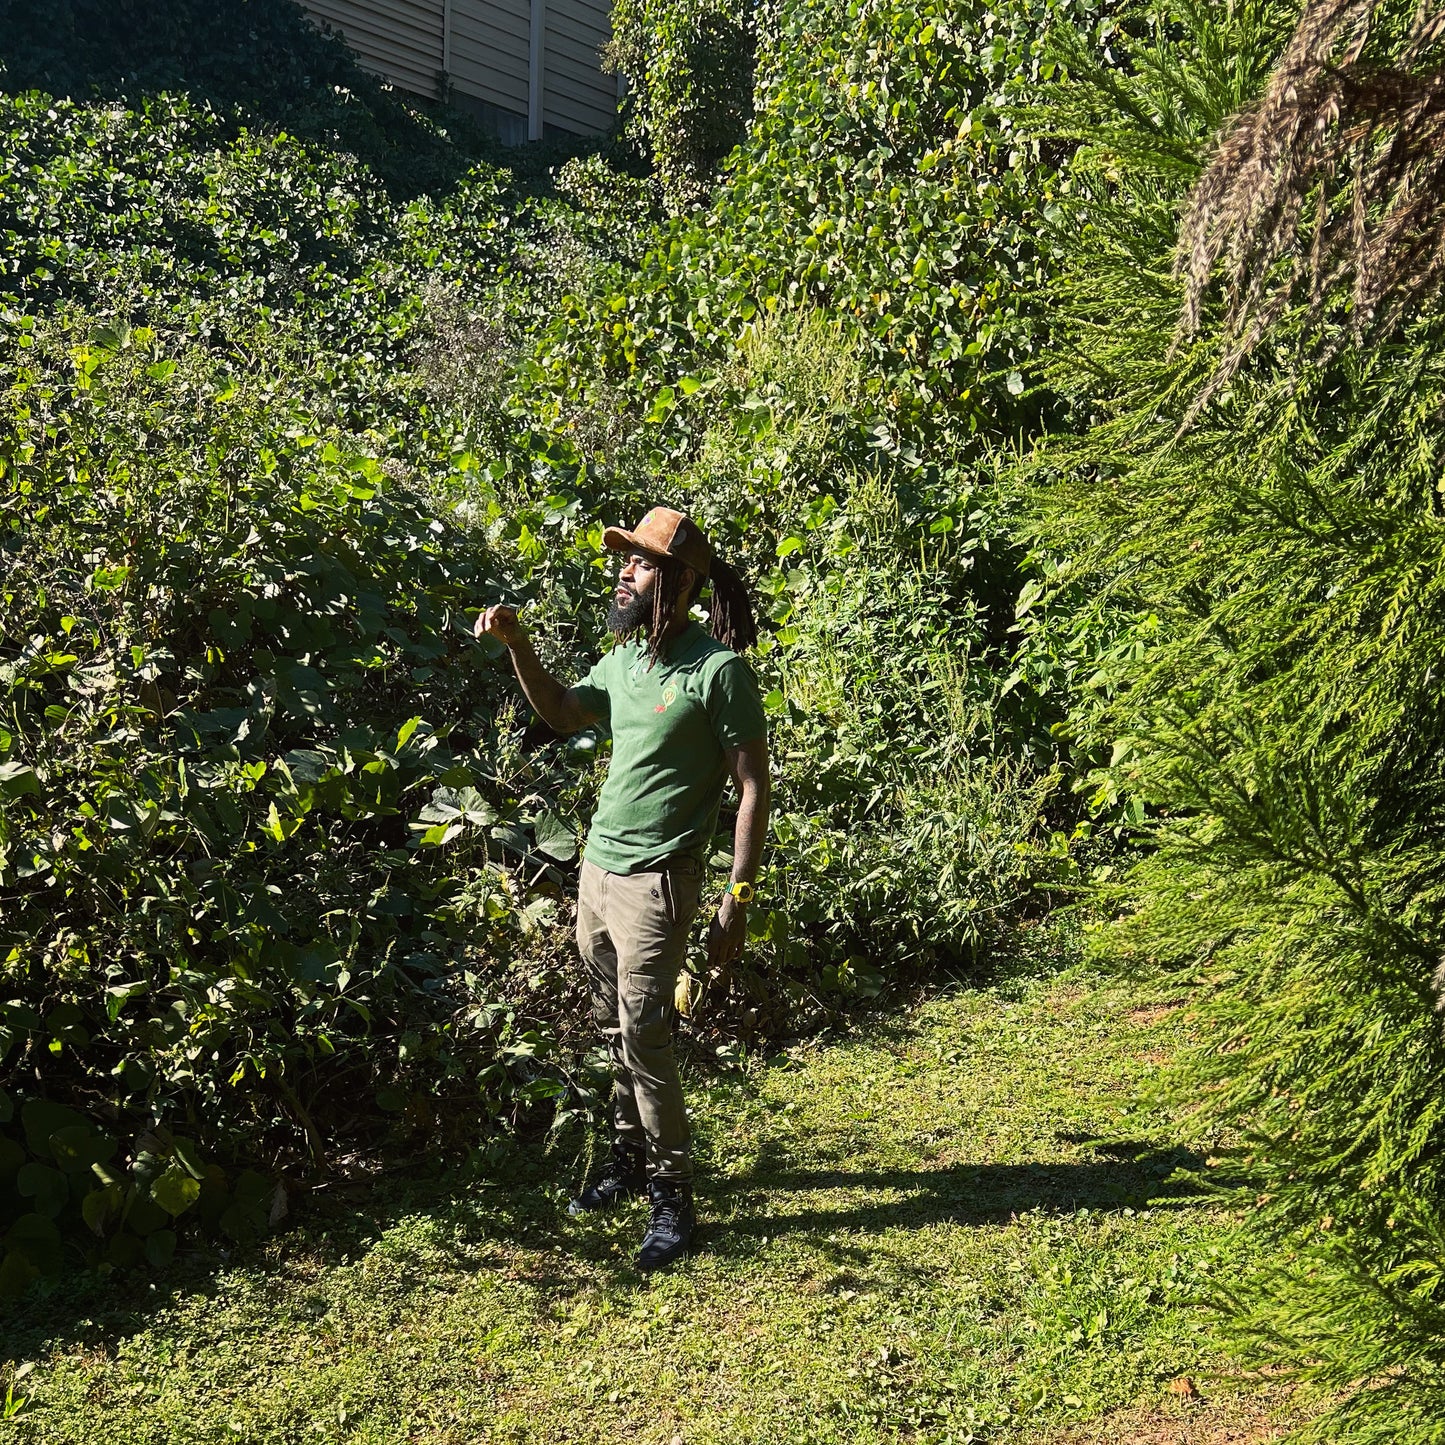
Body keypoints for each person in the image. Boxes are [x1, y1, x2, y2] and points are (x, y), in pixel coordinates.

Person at [476, 506, 770, 1269]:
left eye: (638, 563)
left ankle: (673, 1196)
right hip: (598, 874)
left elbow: (751, 789)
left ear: (675, 581)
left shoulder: (717, 671)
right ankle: (626, 1159)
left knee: (644, 1036)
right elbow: (563, 710)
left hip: (658, 883)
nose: (623, 572)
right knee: (613, 1026)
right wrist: (520, 646)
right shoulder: (628, 661)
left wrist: (734, 900)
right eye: (625, 561)